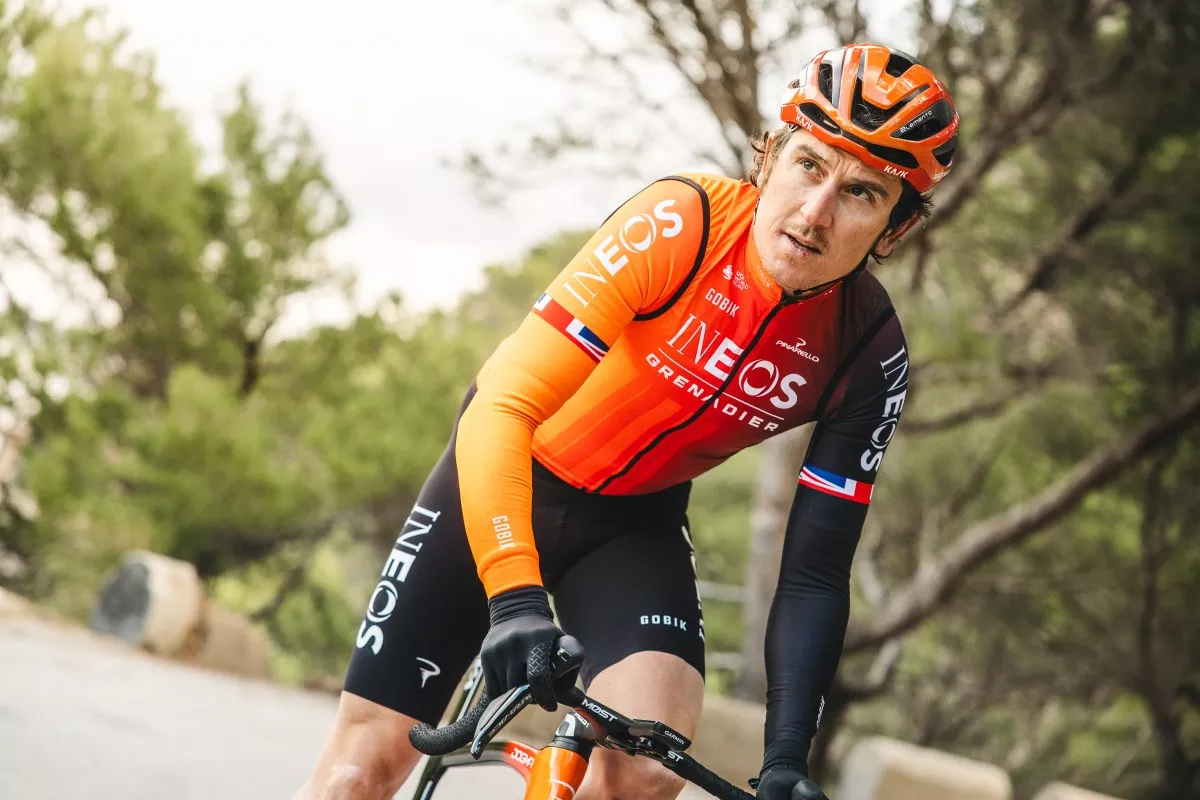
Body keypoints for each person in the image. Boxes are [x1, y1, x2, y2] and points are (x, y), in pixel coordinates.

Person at [296, 42, 958, 800]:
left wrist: (784, 758)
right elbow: (503, 404)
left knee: (644, 770)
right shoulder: (681, 223)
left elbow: (813, 574)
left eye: (861, 193)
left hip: (630, 530)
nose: (816, 213)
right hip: (504, 475)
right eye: (809, 165)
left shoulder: (868, 354)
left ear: (893, 231)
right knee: (359, 771)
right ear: (769, 157)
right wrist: (514, 599)